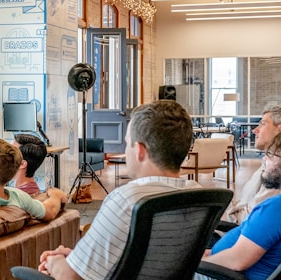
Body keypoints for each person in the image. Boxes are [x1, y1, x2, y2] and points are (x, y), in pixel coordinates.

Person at [38, 100, 199, 279]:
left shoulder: (127, 200)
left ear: (139, 150)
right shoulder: (197, 194)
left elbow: (71, 277)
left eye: (127, 143)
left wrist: (56, 261)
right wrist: (78, 259)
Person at [202, 127, 281, 279]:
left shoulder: (280, 208)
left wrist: (194, 263)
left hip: (223, 274)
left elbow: (236, 261)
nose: (264, 159)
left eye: (270, 155)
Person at [225, 106, 281, 224]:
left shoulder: (278, 171)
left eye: (262, 124)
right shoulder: (271, 164)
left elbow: (251, 219)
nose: (255, 130)